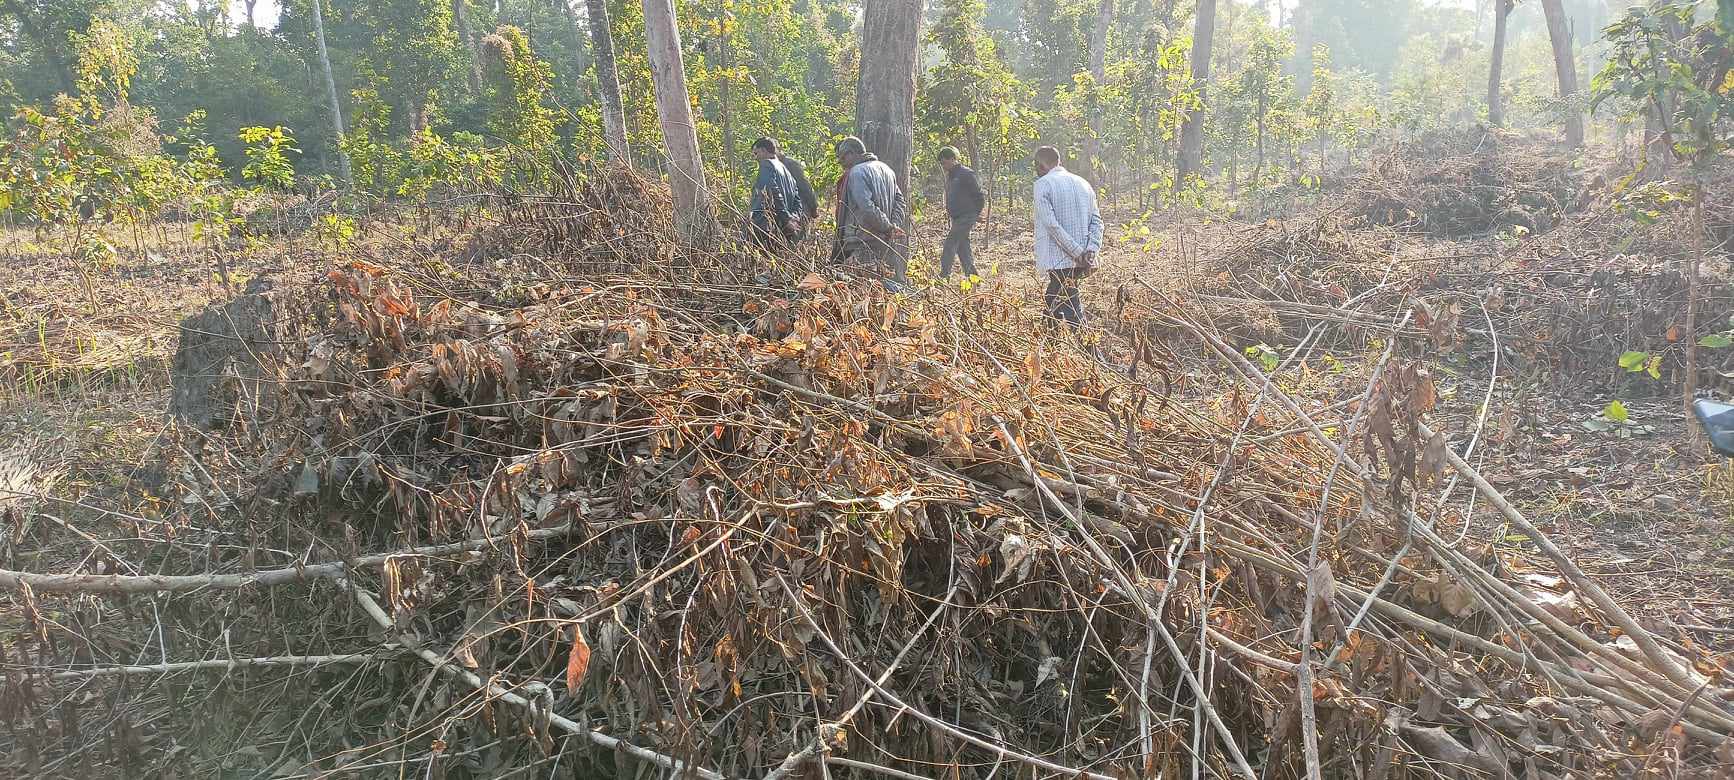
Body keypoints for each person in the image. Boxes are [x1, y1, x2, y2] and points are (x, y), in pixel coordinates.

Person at [1031, 145, 1102, 328]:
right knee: (1053, 307)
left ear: (1040, 166)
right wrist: (1090, 252)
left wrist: (1077, 252)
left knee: (1073, 315)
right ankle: (1049, 349)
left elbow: (1052, 226)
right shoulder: (1083, 183)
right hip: (1082, 260)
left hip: (1060, 261)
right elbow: (1097, 222)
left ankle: (1094, 355)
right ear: (1059, 162)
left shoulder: (1043, 184)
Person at [834, 136, 909, 287]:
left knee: (862, 288)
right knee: (880, 287)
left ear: (852, 154)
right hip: (882, 240)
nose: (841, 162)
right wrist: (892, 225)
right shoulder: (887, 169)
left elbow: (867, 207)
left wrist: (888, 227)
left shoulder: (856, 172)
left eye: (842, 158)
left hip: (861, 240)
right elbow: (900, 202)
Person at [937, 146, 986, 279]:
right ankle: (973, 277)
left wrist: (976, 214)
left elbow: (979, 195)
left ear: (953, 159)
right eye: (941, 164)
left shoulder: (966, 174)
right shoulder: (951, 176)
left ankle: (943, 276)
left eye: (945, 162)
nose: (944, 166)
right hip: (957, 217)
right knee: (962, 247)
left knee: (950, 243)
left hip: (967, 216)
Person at [748, 137, 804, 248]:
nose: (755, 158)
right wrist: (793, 218)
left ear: (764, 150)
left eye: (756, 153)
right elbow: (797, 200)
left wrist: (787, 218)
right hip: (782, 230)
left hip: (767, 228)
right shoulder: (786, 171)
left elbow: (774, 192)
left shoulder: (767, 164)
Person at [779, 147, 820, 234]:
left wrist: (813, 207)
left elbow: (804, 186)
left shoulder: (790, 164)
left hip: (799, 210)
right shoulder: (773, 166)